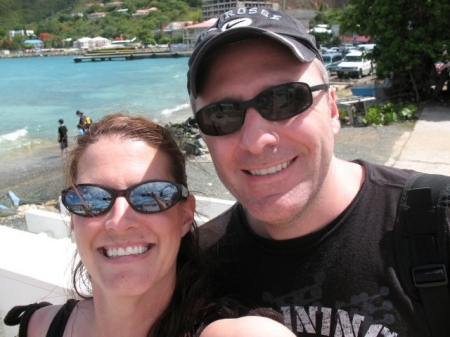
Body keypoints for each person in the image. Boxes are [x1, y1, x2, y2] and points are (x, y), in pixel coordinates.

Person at [187, 7, 450, 336]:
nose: (256, 141)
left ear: (332, 109)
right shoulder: (200, 265)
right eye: (221, 115)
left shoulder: (437, 221)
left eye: (284, 100)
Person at [4, 113, 295, 337]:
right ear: (73, 219)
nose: (119, 222)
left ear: (185, 215)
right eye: (92, 199)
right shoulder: (39, 327)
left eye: (151, 195)